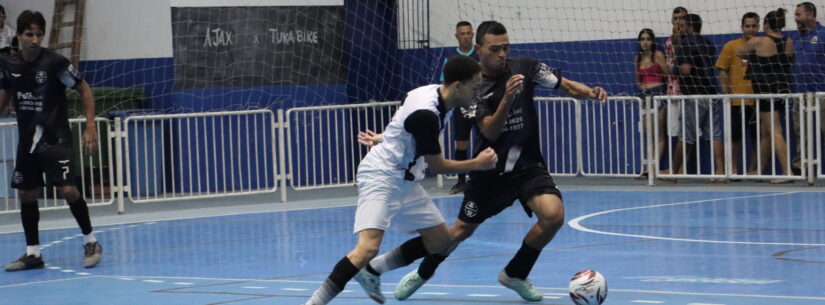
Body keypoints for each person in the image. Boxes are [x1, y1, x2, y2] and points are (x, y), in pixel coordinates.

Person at [362, 20, 606, 303]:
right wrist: (508, 98)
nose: (502, 54)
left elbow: (564, 85)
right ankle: (424, 272)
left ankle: (515, 273)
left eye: (506, 47)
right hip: (489, 171)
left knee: (553, 215)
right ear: (479, 49)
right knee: (457, 233)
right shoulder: (471, 86)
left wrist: (590, 92)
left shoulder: (525, 67)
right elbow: (489, 129)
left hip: (527, 165)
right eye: (495, 49)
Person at [302, 55, 498, 305]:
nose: (477, 93)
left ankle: (372, 272)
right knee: (367, 248)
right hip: (381, 176)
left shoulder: (426, 92)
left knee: (440, 241)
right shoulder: (427, 114)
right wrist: (477, 164)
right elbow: (437, 166)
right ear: (458, 85)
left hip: (405, 179)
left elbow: (402, 121)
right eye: (475, 86)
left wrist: (385, 137)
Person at [1, 10, 102, 271]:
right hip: (28, 143)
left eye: (39, 34)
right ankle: (33, 253)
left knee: (68, 190)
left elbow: (85, 89)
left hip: (56, 140)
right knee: (27, 193)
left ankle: (91, 241)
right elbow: (3, 97)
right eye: (29, 34)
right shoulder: (9, 66)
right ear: (19, 36)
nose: (35, 39)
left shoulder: (56, 62)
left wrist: (90, 127)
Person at [738, 8, 794, 183]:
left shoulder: (758, 41)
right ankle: (759, 170)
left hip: (765, 90)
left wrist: (752, 52)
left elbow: (739, 53)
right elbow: (788, 62)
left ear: (766, 25)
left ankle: (787, 172)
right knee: (766, 132)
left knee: (775, 131)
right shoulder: (788, 41)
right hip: (782, 88)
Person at [671, 13, 725, 183]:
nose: (680, 26)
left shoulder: (685, 44)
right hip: (711, 92)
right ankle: (720, 172)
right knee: (714, 134)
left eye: (683, 24)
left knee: (686, 135)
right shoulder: (708, 43)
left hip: (694, 94)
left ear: (690, 26)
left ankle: (673, 172)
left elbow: (685, 69)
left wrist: (670, 69)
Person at [716, 12, 759, 177]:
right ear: (742, 27)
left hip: (757, 100)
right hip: (736, 101)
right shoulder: (731, 46)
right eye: (747, 26)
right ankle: (733, 169)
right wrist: (727, 92)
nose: (751, 29)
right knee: (735, 139)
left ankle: (754, 170)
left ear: (758, 27)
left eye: (754, 26)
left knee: (758, 138)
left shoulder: (761, 45)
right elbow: (722, 70)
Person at [440, 21, 480, 194]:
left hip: (481, 106)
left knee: (487, 140)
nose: (465, 36)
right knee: (461, 144)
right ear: (457, 36)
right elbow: (445, 86)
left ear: (473, 35)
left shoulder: (480, 55)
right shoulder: (450, 60)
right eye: (462, 34)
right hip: (461, 108)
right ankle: (462, 181)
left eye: (468, 33)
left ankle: (482, 179)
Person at [791, 2, 825, 175]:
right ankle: (800, 167)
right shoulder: (796, 39)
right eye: (795, 15)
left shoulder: (823, 34)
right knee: (800, 132)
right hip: (801, 94)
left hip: (822, 93)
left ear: (810, 15)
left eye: (799, 15)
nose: (796, 19)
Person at [634, 28, 669, 179]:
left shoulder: (658, 55)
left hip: (658, 94)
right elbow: (637, 80)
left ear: (652, 41)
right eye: (642, 39)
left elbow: (667, 73)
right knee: (648, 133)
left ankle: (653, 168)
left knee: (658, 133)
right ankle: (648, 166)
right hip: (644, 96)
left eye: (648, 39)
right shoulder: (637, 59)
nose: (645, 42)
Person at [660, 7, 688, 182]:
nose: (678, 22)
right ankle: (677, 167)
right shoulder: (669, 42)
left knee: (689, 132)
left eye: (681, 18)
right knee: (674, 131)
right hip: (672, 91)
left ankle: (681, 168)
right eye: (675, 18)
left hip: (687, 90)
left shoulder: (690, 41)